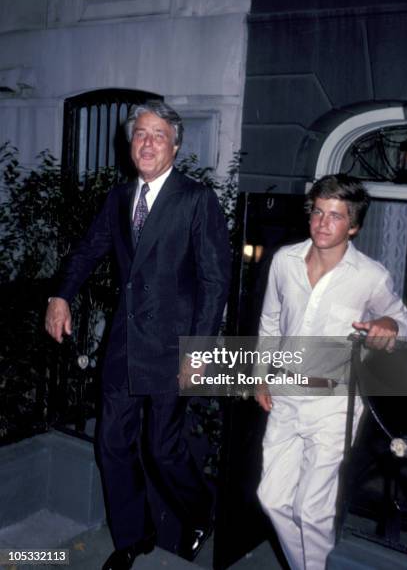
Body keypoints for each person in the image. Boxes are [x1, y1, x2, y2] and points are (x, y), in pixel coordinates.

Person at [45, 100, 231, 570]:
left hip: (173, 350)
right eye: (139, 135)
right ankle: (133, 535)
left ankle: (200, 510)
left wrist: (201, 350)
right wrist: (60, 295)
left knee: (162, 449)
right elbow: (88, 252)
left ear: (176, 144)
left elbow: (214, 281)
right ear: (131, 145)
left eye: (157, 135)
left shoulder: (195, 199)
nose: (146, 143)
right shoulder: (118, 198)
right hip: (125, 345)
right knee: (110, 443)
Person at [255, 174, 407, 570]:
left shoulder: (370, 276)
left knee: (313, 509)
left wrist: (390, 327)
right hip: (286, 393)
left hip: (334, 404)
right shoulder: (284, 261)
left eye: (336, 216)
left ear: (354, 226)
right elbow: (271, 322)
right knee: (272, 498)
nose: (323, 223)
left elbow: (404, 323)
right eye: (318, 212)